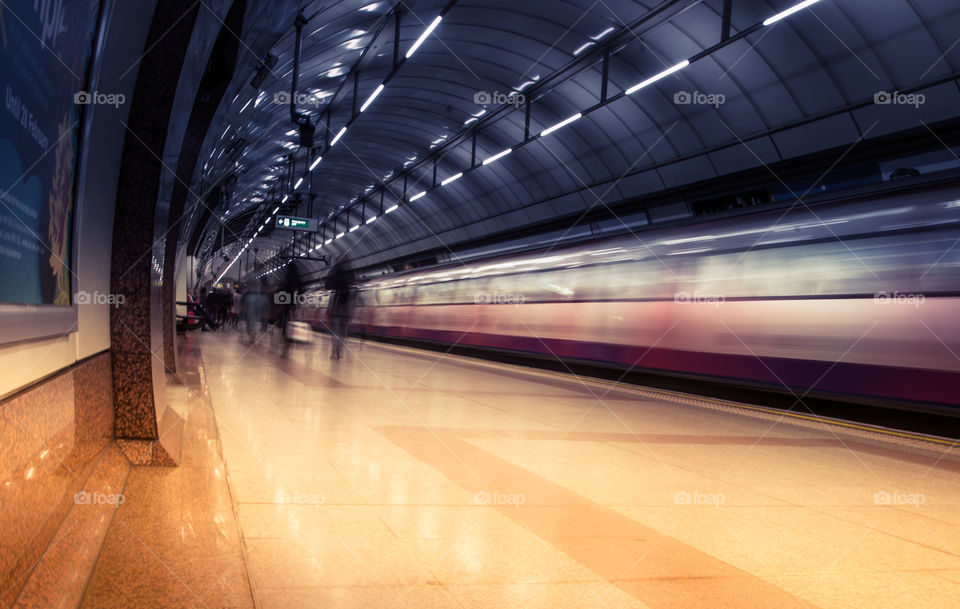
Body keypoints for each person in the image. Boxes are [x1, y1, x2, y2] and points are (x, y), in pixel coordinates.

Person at [325, 258, 354, 360]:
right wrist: (350, 313)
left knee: (335, 331)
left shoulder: (335, 279)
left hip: (336, 310)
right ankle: (339, 351)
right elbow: (350, 300)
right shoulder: (349, 277)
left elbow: (329, 288)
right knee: (342, 332)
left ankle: (334, 351)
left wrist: (329, 310)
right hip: (344, 311)